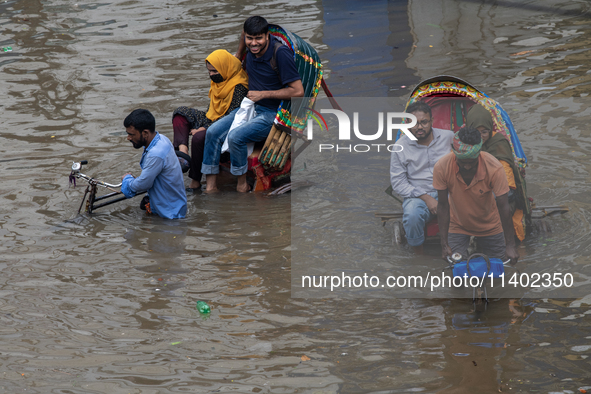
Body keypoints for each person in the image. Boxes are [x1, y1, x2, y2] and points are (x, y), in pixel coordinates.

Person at [201, 16, 304, 193]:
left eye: (258, 38)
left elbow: (297, 91)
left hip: (273, 113)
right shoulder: (249, 49)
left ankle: (242, 185)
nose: (254, 43)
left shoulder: (280, 54)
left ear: (267, 36)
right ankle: (210, 187)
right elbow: (243, 37)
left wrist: (263, 94)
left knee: (235, 137)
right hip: (251, 108)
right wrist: (240, 52)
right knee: (212, 132)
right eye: (250, 38)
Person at [433, 126, 519, 262]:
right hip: (458, 225)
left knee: (499, 270)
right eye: (462, 162)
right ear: (455, 154)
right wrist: (444, 244)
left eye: (471, 162)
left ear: (479, 153)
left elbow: (504, 206)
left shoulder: (494, 168)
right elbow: (443, 206)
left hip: (490, 225)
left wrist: (510, 245)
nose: (467, 167)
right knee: (457, 271)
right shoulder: (442, 167)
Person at [172, 49, 249, 190]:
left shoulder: (239, 86)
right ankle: (183, 154)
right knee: (180, 113)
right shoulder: (218, 82)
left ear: (225, 68)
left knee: (199, 137)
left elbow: (232, 116)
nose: (212, 75)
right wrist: (205, 124)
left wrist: (205, 128)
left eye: (215, 71)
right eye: (209, 72)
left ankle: (195, 180)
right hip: (211, 118)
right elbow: (211, 110)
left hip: (226, 124)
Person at [390, 101, 454, 254]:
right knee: (412, 215)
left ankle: (464, 247)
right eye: (414, 123)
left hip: (449, 190)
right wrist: (426, 198)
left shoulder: (448, 137)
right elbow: (398, 183)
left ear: (431, 121)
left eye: (424, 122)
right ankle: (418, 255)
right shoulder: (400, 147)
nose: (419, 127)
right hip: (418, 195)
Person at [466, 104, 528, 241]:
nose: (481, 136)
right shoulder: (463, 144)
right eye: (476, 132)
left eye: (484, 132)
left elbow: (508, 187)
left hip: (500, 197)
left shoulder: (498, 144)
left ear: (490, 129)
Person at [121, 109, 187, 219]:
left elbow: (143, 184)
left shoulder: (156, 154)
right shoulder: (162, 139)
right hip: (174, 207)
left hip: (169, 217)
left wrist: (127, 180)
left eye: (131, 134)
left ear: (145, 133)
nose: (128, 138)